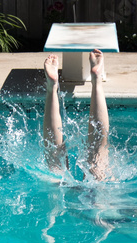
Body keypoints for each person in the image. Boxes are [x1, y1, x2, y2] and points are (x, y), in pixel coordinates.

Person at [43, 49, 109, 180]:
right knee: (97, 162)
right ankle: (96, 79)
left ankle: (52, 86)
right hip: (93, 193)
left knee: (56, 168)